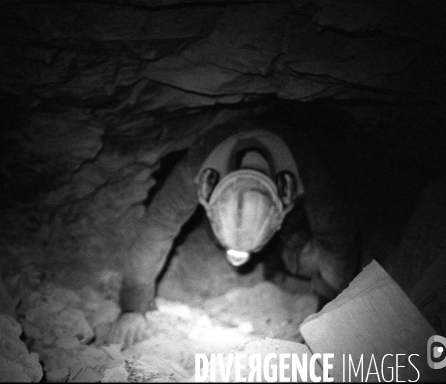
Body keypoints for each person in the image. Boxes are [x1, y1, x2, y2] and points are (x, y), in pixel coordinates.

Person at [108, 107, 360, 349]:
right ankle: (248, 249)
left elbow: (336, 239)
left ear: (286, 197)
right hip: (230, 185)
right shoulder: (197, 166)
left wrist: (329, 309)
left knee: (306, 260)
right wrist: (132, 305)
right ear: (207, 191)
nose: (238, 259)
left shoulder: (308, 166)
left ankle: (281, 252)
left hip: (293, 216)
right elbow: (157, 229)